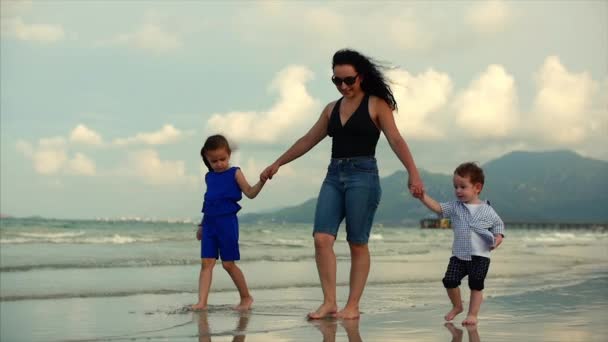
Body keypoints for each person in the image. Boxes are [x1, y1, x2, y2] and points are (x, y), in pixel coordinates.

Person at [260, 49, 424, 319]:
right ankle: (329, 302)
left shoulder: (376, 104)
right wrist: (278, 163)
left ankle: (352, 306)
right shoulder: (331, 109)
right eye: (337, 81)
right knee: (321, 238)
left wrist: (413, 173)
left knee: (357, 242)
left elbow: (396, 140)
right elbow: (307, 140)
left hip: (364, 176)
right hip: (334, 176)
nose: (344, 86)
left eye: (349, 80)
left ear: (361, 76)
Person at [416, 162, 505, 325]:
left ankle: (472, 315)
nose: (458, 190)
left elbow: (498, 225)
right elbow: (438, 208)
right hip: (459, 255)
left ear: (477, 187)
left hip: (481, 256)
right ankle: (457, 306)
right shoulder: (455, 207)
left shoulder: (487, 209)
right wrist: (423, 196)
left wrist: (498, 238)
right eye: (455, 186)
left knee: (476, 285)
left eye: (462, 187)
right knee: (449, 281)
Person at [192, 134, 265, 311]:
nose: (218, 164)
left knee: (228, 264)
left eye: (222, 159)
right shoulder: (209, 177)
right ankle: (202, 302)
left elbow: (250, 192)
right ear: (207, 159)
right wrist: (202, 225)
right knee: (206, 263)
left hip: (227, 223)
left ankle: (246, 297)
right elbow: (209, 201)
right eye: (213, 161)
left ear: (229, 155)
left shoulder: (235, 172)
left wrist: (262, 181)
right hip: (209, 224)